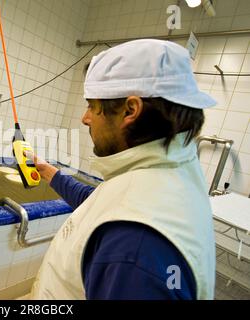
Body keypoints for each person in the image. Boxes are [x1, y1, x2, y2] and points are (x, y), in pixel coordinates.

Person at [28, 39, 216, 300]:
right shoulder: (168, 172)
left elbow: (120, 225)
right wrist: (48, 171)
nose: (85, 118)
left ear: (130, 110)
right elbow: (99, 206)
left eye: (92, 106)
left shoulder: (136, 246)